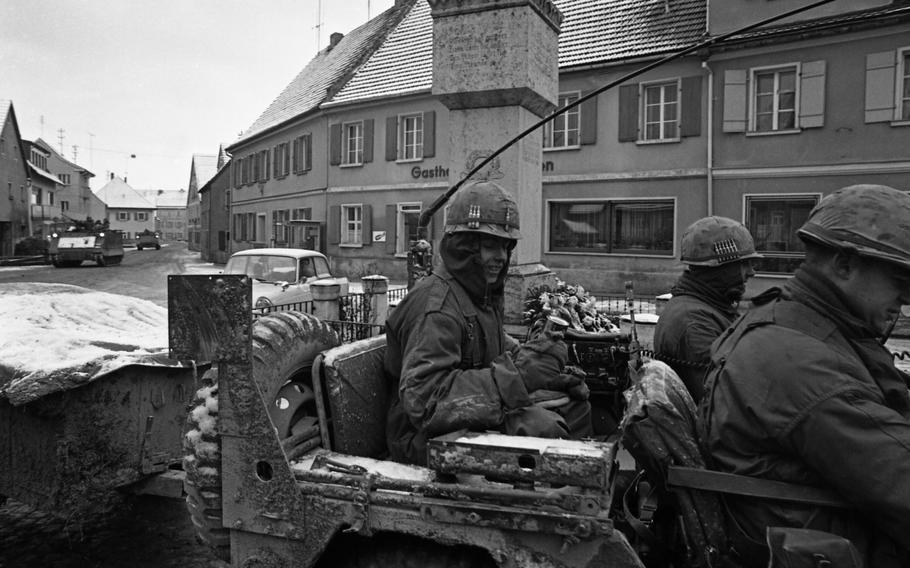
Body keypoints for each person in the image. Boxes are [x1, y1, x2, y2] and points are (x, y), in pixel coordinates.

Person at [698, 184, 910, 567]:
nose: (905, 299)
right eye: (899, 281)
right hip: (839, 544)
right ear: (844, 265)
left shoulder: (796, 326)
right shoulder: (802, 362)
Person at [384, 180, 593, 465]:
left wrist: (544, 368)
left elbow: (492, 348)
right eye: (490, 245)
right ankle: (541, 505)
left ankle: (579, 489)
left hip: (465, 416)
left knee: (575, 407)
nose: (501, 257)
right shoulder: (438, 308)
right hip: (421, 438)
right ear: (465, 247)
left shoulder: (477, 295)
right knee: (545, 431)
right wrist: (520, 374)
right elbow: (425, 402)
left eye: (506, 247)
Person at [653, 216, 760, 401]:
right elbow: (722, 401)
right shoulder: (694, 324)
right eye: (744, 264)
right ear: (719, 269)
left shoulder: (706, 308)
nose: (751, 272)